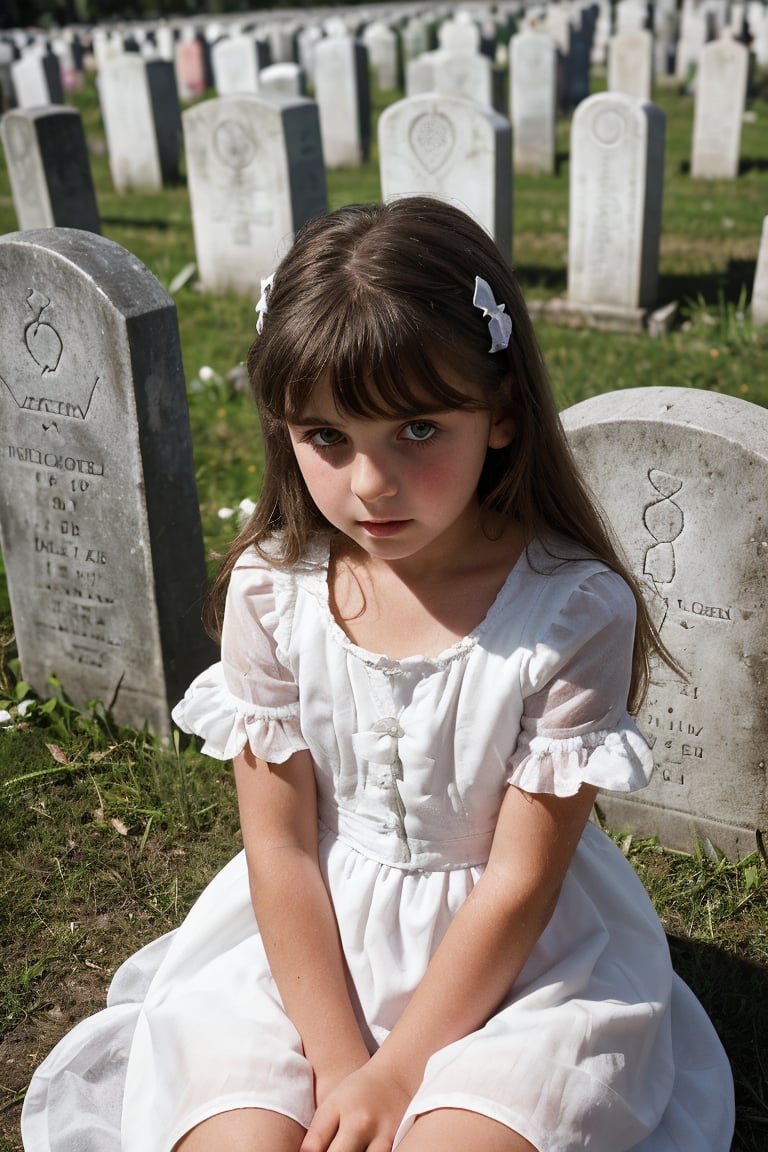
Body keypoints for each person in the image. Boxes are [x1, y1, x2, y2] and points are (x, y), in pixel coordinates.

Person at [22, 196, 735, 1152]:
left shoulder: (570, 612)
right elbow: (278, 849)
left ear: (503, 417)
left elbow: (522, 879)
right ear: (283, 428)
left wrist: (400, 1074)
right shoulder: (274, 594)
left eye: (419, 431)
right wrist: (337, 1055)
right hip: (309, 941)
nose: (370, 483)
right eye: (327, 437)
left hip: (520, 961)